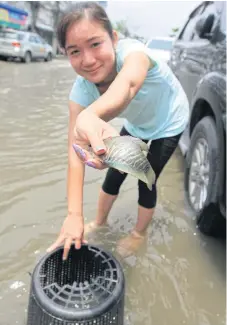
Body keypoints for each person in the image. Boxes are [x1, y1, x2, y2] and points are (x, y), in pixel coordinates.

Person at [47, 1, 189, 259]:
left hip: (169, 120)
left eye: (95, 44)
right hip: (138, 124)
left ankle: (138, 234)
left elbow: (127, 86)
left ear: (113, 38)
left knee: (146, 177)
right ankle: (99, 222)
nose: (88, 60)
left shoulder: (134, 54)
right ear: (65, 54)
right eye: (74, 51)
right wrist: (74, 215)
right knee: (113, 174)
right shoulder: (80, 92)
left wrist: (89, 116)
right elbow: (75, 153)